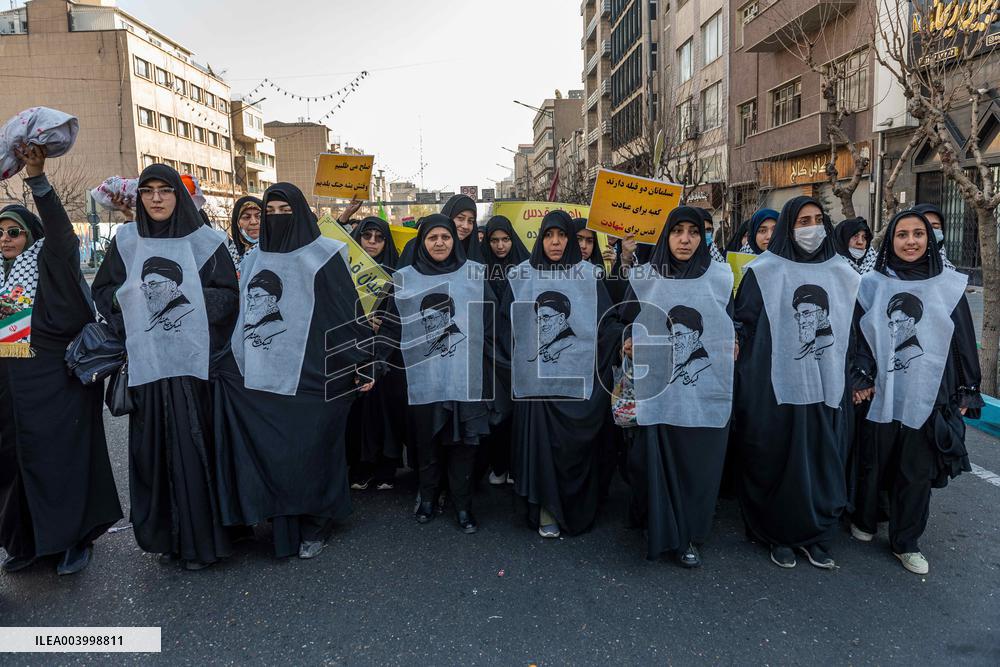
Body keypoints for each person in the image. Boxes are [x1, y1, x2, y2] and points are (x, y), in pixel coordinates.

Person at [213, 183, 373, 560]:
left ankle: (316, 523)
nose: (277, 218)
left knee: (312, 451)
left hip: (314, 374)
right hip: (263, 374)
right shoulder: (254, 258)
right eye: (270, 211)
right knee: (276, 454)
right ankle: (283, 525)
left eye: (285, 211)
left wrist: (363, 361)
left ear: (299, 212)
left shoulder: (324, 253)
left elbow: (346, 311)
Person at [92, 163, 238, 571]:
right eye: (148, 190)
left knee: (196, 453)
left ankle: (203, 543)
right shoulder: (127, 241)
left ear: (179, 195)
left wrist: (187, 301)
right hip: (149, 369)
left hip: (196, 372)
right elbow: (103, 290)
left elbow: (229, 296)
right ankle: (168, 539)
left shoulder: (206, 242)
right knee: (153, 453)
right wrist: (130, 306)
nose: (156, 198)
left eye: (165, 190)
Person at [0, 144, 122, 576]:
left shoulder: (50, 261)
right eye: (0, 233)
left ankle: (73, 540)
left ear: (31, 236)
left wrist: (37, 180)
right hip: (12, 389)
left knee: (62, 461)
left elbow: (61, 234)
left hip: (58, 382)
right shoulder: (2, 275)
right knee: (16, 463)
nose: (5, 239)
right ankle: (30, 542)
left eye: (14, 232)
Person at [733, 196, 861, 570]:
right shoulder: (764, 270)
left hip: (826, 385)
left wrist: (859, 373)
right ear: (789, 226)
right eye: (803, 221)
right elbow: (745, 320)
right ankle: (778, 534)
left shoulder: (842, 272)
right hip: (775, 387)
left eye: (818, 219)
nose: (812, 228)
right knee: (778, 458)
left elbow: (854, 328)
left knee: (822, 459)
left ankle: (817, 534)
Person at [850, 209, 982, 575]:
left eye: (918, 234)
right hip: (882, 389)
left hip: (929, 391)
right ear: (890, 241)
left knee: (916, 468)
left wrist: (967, 389)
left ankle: (906, 542)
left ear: (929, 240)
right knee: (874, 458)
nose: (911, 241)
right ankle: (865, 518)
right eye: (902, 234)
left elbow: (962, 340)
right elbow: (860, 334)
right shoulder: (873, 284)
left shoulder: (949, 285)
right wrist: (861, 376)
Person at [619, 206, 736, 566]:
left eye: (694, 232)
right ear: (665, 235)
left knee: (697, 467)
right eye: (677, 231)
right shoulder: (645, 277)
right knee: (654, 463)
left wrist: (737, 341)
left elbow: (732, 322)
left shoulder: (720, 277)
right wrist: (627, 340)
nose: (685, 240)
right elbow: (621, 320)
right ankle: (659, 527)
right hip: (658, 394)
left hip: (703, 394)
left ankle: (688, 534)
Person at [502, 210, 622, 538]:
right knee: (541, 450)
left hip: (578, 382)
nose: (555, 242)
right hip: (537, 386)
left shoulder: (589, 276)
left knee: (574, 451)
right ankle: (546, 510)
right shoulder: (521, 276)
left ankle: (576, 506)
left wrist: (623, 339)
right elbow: (505, 326)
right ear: (540, 239)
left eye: (562, 235)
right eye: (549, 235)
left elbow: (606, 323)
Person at [378, 214, 498, 533]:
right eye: (433, 237)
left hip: (465, 378)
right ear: (422, 242)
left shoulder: (474, 273)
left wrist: (492, 367)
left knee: (464, 446)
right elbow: (391, 325)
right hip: (425, 380)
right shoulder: (404, 278)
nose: (440, 243)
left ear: (454, 241)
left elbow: (491, 323)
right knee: (427, 443)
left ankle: (463, 506)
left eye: (446, 237)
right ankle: (428, 499)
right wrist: (375, 362)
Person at [346, 216, 404, 491]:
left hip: (387, 354)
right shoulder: (343, 270)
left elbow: (404, 311)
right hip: (352, 351)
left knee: (385, 411)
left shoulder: (397, 273)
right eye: (366, 236)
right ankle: (361, 467)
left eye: (379, 238)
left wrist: (386, 322)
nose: (372, 242)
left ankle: (386, 467)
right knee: (357, 412)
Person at [479, 215, 529, 486]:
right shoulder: (479, 269)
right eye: (494, 240)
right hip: (490, 352)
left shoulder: (527, 268)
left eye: (506, 239)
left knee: (521, 413)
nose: (500, 246)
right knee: (496, 412)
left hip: (520, 351)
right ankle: (498, 465)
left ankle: (518, 466)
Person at [911, 203, 956, 270]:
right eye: (924, 226)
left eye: (935, 227)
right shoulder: (895, 272)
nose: (930, 232)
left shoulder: (951, 271)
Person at [226, 195, 262, 268]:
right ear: (237, 223)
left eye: (259, 216)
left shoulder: (274, 251)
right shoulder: (229, 254)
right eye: (246, 217)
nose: (253, 222)